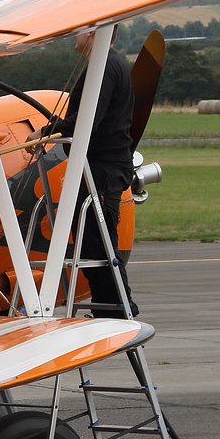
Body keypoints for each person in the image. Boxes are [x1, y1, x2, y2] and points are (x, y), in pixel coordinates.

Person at [35, 30, 139, 318]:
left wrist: (47, 131)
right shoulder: (106, 64)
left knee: (100, 242)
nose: (75, 35)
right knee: (92, 243)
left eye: (81, 30)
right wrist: (56, 126)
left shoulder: (103, 68)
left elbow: (86, 122)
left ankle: (119, 311)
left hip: (102, 171)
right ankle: (107, 309)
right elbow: (83, 119)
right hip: (101, 168)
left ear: (93, 32)